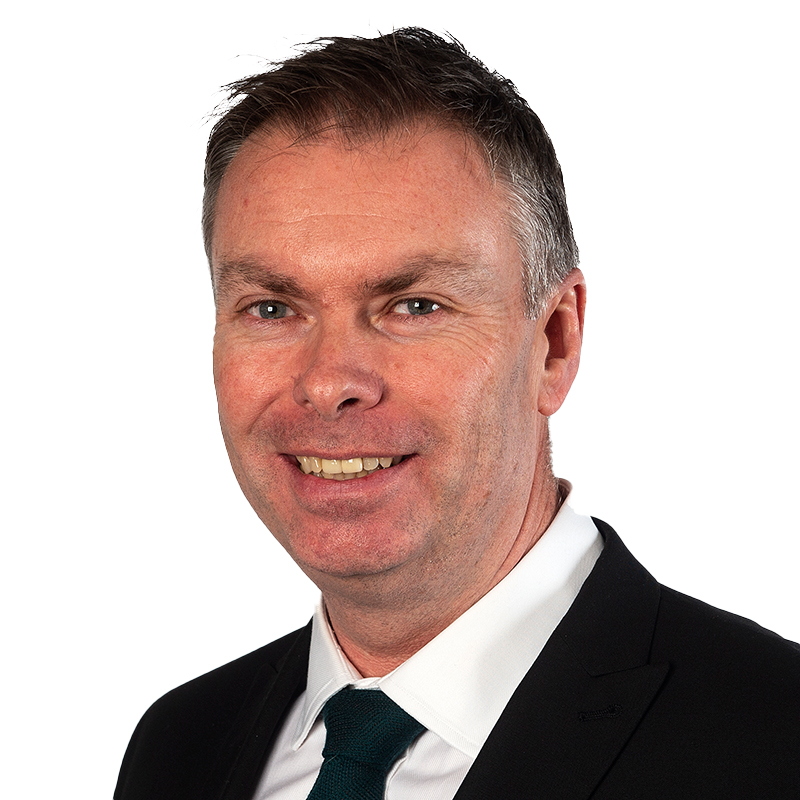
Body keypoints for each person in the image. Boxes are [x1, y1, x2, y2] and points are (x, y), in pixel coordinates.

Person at [115, 28, 800, 799]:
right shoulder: (180, 749)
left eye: (414, 305)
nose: (329, 382)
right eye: (272, 307)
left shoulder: (777, 743)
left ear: (554, 342)